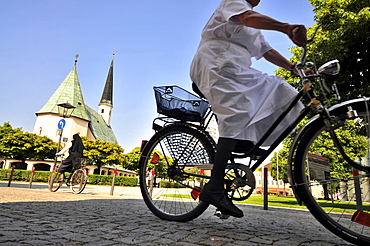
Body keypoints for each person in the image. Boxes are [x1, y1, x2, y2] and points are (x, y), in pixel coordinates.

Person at [190, 0, 308, 218]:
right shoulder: (234, 3)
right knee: (235, 112)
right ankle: (214, 187)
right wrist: (285, 27)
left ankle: (246, 141)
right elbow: (246, 17)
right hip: (215, 63)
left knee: (280, 89)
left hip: (237, 69)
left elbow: (266, 51)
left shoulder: (253, 26)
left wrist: (294, 68)